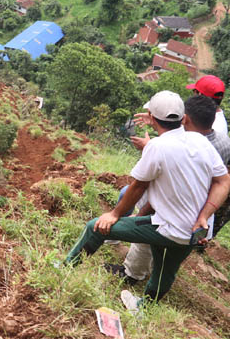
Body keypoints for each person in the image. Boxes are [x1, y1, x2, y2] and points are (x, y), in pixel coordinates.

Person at [64, 91, 229, 307]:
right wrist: (205, 215)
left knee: (96, 226)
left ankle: (65, 269)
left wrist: (114, 214)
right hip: (196, 232)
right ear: (183, 117)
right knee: (165, 270)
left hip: (169, 227)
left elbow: (138, 186)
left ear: (151, 116)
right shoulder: (200, 141)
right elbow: (223, 180)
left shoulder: (157, 146)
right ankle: (144, 307)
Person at [106, 94, 230, 285]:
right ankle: (150, 276)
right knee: (167, 261)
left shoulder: (193, 144)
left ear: (185, 118)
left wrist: (150, 146)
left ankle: (133, 273)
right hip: (200, 215)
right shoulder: (220, 141)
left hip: (181, 210)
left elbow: (165, 183)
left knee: (147, 228)